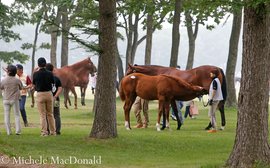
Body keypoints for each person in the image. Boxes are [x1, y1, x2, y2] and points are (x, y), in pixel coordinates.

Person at [32, 57, 56, 136]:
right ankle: (53, 132)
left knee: (42, 114)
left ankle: (44, 132)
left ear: (38, 64)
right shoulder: (50, 73)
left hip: (40, 94)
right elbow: (53, 82)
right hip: (49, 94)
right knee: (50, 114)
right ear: (45, 64)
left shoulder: (35, 74)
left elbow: (34, 84)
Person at [0, 65, 22, 135]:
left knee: (6, 115)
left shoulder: (4, 80)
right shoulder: (17, 80)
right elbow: (21, 87)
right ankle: (18, 131)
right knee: (17, 115)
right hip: (14, 99)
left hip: (6, 99)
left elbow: (1, 87)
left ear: (8, 71)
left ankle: (8, 132)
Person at [46, 63, 62, 135]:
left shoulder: (45, 78)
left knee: (47, 114)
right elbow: (60, 88)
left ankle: (48, 129)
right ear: (52, 69)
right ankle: (57, 130)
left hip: (48, 98)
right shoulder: (57, 78)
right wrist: (55, 96)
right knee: (56, 114)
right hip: (56, 98)